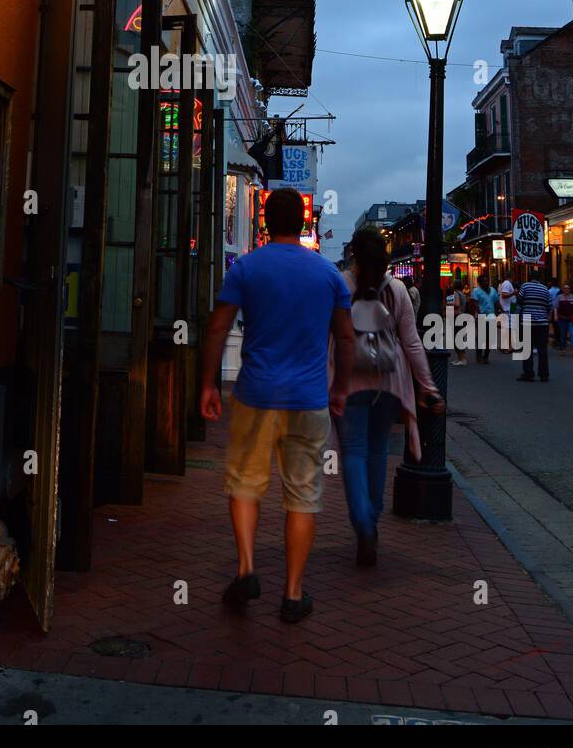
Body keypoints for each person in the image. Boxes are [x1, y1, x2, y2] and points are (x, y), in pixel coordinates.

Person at [199, 187, 356, 624]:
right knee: (303, 496)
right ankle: (292, 593)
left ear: (265, 222)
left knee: (245, 483)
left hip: (256, 393)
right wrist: (340, 388)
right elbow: (345, 338)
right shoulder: (327, 275)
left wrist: (208, 384)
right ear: (304, 222)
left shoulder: (247, 267)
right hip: (308, 399)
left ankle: (247, 568)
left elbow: (218, 328)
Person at [332, 228, 444, 566]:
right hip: (389, 382)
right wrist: (428, 386)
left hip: (349, 380)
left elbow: (327, 335)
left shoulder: (341, 286)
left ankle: (363, 522)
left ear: (353, 252)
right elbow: (411, 344)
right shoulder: (396, 290)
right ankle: (373, 519)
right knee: (378, 450)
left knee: (352, 452)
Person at [516, 269, 551, 382]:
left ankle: (529, 373)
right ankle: (544, 374)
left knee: (527, 348)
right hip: (542, 322)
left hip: (527, 320)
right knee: (542, 350)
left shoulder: (525, 286)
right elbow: (549, 305)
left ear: (529, 277)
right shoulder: (545, 289)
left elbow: (519, 300)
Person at [470, 270, 499, 363]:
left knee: (490, 337)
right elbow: (474, 303)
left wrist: (500, 312)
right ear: (480, 282)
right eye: (484, 281)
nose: (486, 282)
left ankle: (486, 356)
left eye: (487, 281)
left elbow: (496, 302)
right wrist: (479, 312)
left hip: (491, 316)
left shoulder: (493, 290)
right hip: (481, 316)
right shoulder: (476, 291)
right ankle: (479, 355)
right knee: (482, 337)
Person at [554, 282, 573, 354]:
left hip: (572, 319)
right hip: (562, 318)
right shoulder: (559, 297)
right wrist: (555, 316)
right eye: (564, 288)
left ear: (570, 289)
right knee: (563, 334)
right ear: (562, 289)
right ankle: (563, 349)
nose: (566, 289)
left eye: (567, 288)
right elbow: (555, 307)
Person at [447, 279, 468, 367]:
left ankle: (462, 359)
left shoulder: (455, 293)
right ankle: (460, 359)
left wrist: (448, 303)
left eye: (452, 284)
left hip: (457, 317)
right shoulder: (462, 294)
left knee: (457, 337)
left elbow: (457, 304)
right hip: (462, 316)